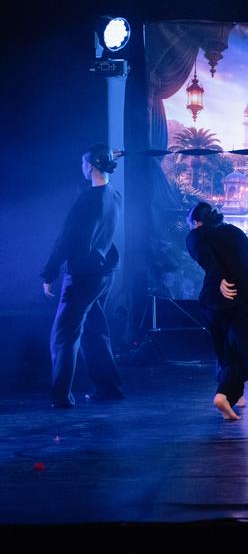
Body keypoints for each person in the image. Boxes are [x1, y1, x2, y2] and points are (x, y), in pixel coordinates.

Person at [41, 144, 124, 408]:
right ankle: (108, 387)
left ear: (89, 166)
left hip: (83, 276)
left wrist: (50, 272)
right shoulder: (114, 195)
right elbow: (91, 188)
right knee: (94, 330)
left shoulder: (86, 201)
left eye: (83, 164)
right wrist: (105, 159)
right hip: (104, 274)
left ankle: (61, 396)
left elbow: (66, 238)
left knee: (64, 335)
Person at [186, 202, 248, 420]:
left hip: (214, 303)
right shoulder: (235, 232)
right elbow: (244, 264)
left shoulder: (196, 235)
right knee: (238, 352)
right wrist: (221, 278)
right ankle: (224, 394)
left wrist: (218, 279)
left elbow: (206, 259)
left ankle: (236, 393)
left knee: (224, 350)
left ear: (196, 222)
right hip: (245, 298)